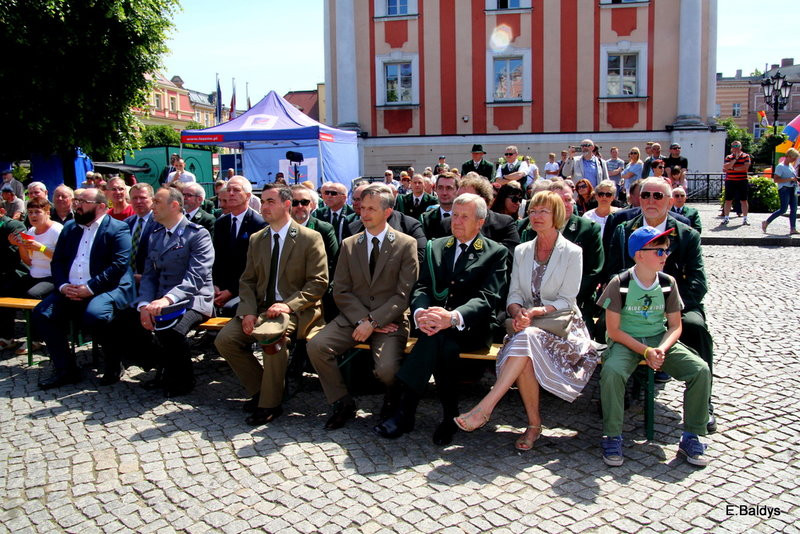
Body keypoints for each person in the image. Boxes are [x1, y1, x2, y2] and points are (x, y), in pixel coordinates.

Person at [454, 191, 600, 449]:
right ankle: (532, 425)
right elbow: (514, 293)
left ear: (557, 215)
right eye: (532, 211)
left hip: (562, 329)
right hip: (527, 328)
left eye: (543, 211)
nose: (536, 216)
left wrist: (534, 313)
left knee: (526, 339)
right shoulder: (522, 250)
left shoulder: (572, 252)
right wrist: (516, 310)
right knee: (526, 345)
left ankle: (487, 407)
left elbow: (568, 300)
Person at [374, 194, 509, 446]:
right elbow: (422, 286)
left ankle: (404, 409)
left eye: (464, 217)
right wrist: (420, 314)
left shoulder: (495, 252)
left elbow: (489, 297)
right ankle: (449, 417)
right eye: (454, 215)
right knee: (442, 343)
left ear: (480, 222)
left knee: (438, 338)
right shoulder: (437, 246)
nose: (456, 221)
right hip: (434, 326)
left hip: (472, 327)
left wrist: (453, 317)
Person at [605, 178, 716, 433]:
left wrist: (668, 306)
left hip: (675, 302)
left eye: (658, 196)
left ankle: (704, 403)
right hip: (631, 302)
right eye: (646, 195)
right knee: (613, 326)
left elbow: (698, 283)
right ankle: (615, 392)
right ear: (637, 198)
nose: (651, 201)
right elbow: (611, 272)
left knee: (695, 326)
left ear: (670, 201)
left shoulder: (687, 234)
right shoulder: (622, 227)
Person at [307, 184, 419, 430]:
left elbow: (403, 295)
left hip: (390, 319)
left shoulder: (405, 244)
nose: (364, 213)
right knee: (316, 346)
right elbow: (341, 290)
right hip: (353, 318)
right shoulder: (349, 244)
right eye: (362, 207)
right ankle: (342, 402)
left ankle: (391, 402)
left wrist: (374, 322)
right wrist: (363, 321)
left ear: (388, 211)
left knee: (387, 369)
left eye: (371, 208)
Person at [597, 226, 711, 467]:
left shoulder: (668, 283)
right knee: (612, 372)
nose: (665, 256)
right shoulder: (620, 283)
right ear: (639, 255)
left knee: (700, 370)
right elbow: (614, 330)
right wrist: (645, 351)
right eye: (659, 252)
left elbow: (675, 326)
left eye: (666, 251)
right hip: (626, 341)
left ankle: (692, 434)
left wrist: (660, 348)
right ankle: (612, 434)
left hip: (659, 340)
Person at [215, 184, 328, 426]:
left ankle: (270, 404)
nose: (263, 206)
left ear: (287, 205)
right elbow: (247, 280)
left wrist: (288, 305)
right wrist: (246, 312)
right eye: (263, 201)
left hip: (294, 310)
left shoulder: (310, 238)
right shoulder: (258, 239)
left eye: (270, 201)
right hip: (260, 308)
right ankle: (262, 390)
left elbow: (318, 283)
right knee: (225, 340)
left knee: (271, 339)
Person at [32, 187, 135, 389]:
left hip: (105, 288)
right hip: (69, 289)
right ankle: (66, 370)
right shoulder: (70, 228)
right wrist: (62, 286)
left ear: (101, 206)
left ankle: (114, 363)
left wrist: (89, 288)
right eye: (77, 201)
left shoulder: (117, 228)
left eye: (83, 202)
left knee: (96, 315)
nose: (77, 205)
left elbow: (118, 266)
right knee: (41, 314)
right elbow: (58, 262)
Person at [115, 187, 215, 393]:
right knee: (124, 319)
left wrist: (167, 299)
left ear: (175, 205)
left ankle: (183, 380)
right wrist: (144, 304)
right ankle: (161, 365)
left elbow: (196, 277)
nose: (152, 206)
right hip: (160, 299)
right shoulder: (157, 234)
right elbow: (150, 275)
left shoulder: (197, 234)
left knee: (172, 331)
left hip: (193, 299)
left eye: (157, 202)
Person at [212, 176, 267, 316]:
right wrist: (215, 286)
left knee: (230, 309)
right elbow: (217, 259)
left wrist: (231, 291)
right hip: (220, 288)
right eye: (228, 189)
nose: (230, 193)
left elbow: (255, 267)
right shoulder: (220, 224)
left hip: (244, 289)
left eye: (236, 190)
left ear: (248, 196)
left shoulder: (259, 225)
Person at [0, 210, 26, 349]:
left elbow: (14, 254)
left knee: (5, 289)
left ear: (1, 211)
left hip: (18, 272)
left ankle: (7, 336)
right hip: (4, 272)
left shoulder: (14, 225)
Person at [124, 184, 159, 284]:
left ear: (152, 199)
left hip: (151, 281)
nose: (138, 202)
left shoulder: (160, 223)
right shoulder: (126, 223)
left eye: (142, 198)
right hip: (127, 281)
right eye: (134, 198)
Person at [763, 148, 799, 235]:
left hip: (792, 188)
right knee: (783, 209)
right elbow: (776, 179)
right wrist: (790, 179)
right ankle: (767, 222)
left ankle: (793, 228)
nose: (794, 160)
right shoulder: (780, 166)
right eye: (793, 158)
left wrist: (795, 180)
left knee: (794, 209)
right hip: (784, 189)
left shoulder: (790, 166)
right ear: (789, 156)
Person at [721, 141, 752, 226]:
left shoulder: (746, 156)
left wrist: (732, 168)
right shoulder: (729, 157)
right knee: (728, 200)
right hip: (730, 180)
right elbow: (725, 167)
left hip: (742, 180)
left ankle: (745, 219)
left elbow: (745, 168)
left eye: (737, 146)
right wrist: (735, 160)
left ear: (740, 147)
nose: (736, 148)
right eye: (734, 146)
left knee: (744, 200)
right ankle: (726, 218)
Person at [420, 172, 459, 240]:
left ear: (457, 190)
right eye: (440, 188)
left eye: (449, 188)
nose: (444, 193)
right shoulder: (426, 219)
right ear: (436, 189)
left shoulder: (465, 218)